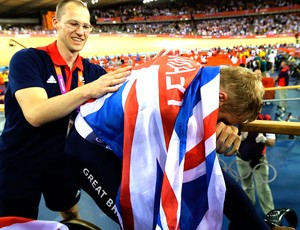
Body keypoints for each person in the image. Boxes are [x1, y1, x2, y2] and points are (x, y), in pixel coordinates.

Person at [65, 59, 267, 228]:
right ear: (220, 98)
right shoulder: (172, 115)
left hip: (110, 131)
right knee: (142, 220)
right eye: (226, 120)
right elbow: (163, 184)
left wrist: (229, 125)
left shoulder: (198, 72)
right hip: (88, 150)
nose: (223, 125)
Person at [0, 0, 132, 220]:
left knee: (70, 211)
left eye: (86, 26)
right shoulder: (27, 60)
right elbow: (36, 114)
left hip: (64, 160)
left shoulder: (93, 71)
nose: (80, 32)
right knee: (18, 222)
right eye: (73, 24)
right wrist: (88, 90)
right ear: (56, 23)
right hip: (20, 162)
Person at [236, 113, 276, 215]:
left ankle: (270, 213)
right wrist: (240, 138)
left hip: (259, 161)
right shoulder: (239, 116)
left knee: (262, 188)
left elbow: (272, 142)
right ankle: (249, 209)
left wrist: (265, 140)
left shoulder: (266, 119)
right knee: (246, 186)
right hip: (242, 159)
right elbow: (229, 141)